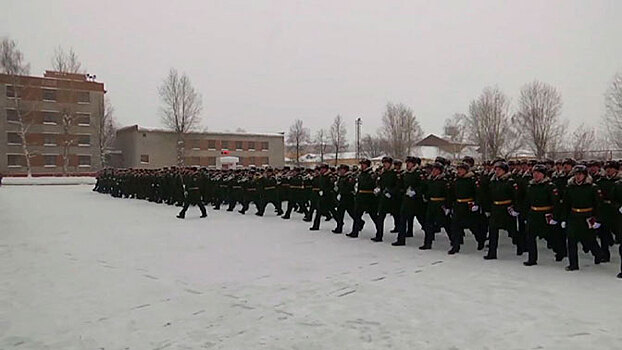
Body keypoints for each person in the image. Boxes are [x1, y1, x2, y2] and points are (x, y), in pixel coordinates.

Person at [561, 165, 603, 271]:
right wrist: (564, 219)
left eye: (580, 174)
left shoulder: (592, 187)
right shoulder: (570, 187)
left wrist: (597, 219)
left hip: (587, 216)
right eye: (576, 174)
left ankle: (598, 254)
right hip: (574, 216)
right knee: (571, 241)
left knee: (589, 239)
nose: (578, 176)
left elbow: (598, 204)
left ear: (585, 175)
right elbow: (566, 204)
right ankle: (573, 264)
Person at [523, 164, 561, 266]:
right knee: (530, 236)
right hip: (533, 213)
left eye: (538, 173)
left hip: (545, 214)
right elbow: (527, 201)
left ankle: (560, 252)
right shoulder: (530, 185)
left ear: (543, 175)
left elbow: (556, 203)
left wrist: (555, 216)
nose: (536, 175)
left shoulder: (550, 186)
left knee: (550, 236)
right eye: (534, 173)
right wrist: (525, 214)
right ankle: (532, 258)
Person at [483, 161, 520, 260]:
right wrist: (488, 208)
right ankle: (492, 252)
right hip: (495, 208)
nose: (497, 171)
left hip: (506, 209)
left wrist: (515, 209)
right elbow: (489, 196)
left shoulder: (510, 182)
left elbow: (516, 196)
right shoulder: (493, 181)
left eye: (499, 169)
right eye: (496, 169)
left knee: (512, 231)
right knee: (492, 231)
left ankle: (521, 246)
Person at [448, 162, 485, 254]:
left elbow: (478, 193)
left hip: (468, 206)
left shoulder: (472, 180)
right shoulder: (456, 180)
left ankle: (480, 240)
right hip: (458, 205)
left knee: (473, 226)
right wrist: (449, 205)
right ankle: (455, 246)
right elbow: (451, 194)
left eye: (461, 169)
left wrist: (476, 204)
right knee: (455, 226)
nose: (459, 171)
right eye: (458, 169)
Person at [392, 156, 426, 246]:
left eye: (410, 163)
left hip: (416, 201)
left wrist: (415, 191)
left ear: (414, 164)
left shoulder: (418, 174)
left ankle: (429, 237)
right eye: (407, 163)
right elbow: (401, 185)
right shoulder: (405, 174)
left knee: (422, 220)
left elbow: (423, 186)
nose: (408, 164)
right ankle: (401, 239)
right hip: (406, 200)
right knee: (402, 219)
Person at [419, 162, 452, 251]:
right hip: (431, 204)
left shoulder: (443, 181)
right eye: (433, 169)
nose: (433, 171)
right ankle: (427, 243)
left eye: (436, 170)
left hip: (440, 204)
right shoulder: (430, 180)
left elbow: (448, 194)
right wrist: (426, 196)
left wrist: (448, 206)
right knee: (428, 224)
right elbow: (426, 189)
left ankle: (454, 241)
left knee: (446, 224)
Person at [347, 159, 378, 238]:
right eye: (361, 164)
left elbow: (371, 184)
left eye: (363, 164)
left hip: (368, 197)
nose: (362, 166)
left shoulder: (371, 174)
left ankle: (379, 232)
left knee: (373, 216)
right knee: (357, 215)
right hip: (360, 197)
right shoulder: (360, 173)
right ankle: (355, 231)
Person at [372, 156, 400, 242]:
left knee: (397, 216)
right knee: (380, 217)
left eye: (386, 163)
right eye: (383, 163)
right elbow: (379, 184)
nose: (384, 164)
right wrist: (378, 189)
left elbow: (398, 186)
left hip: (392, 199)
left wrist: (391, 192)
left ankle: (400, 233)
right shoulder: (383, 173)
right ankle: (379, 235)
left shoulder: (395, 173)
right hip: (383, 199)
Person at [332, 164, 356, 234]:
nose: (340, 171)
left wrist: (342, 190)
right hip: (342, 196)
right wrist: (335, 192)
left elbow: (349, 187)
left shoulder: (349, 177)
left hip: (349, 197)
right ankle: (339, 227)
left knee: (352, 212)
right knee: (340, 213)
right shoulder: (341, 177)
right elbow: (337, 186)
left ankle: (359, 222)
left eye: (341, 169)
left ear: (345, 170)